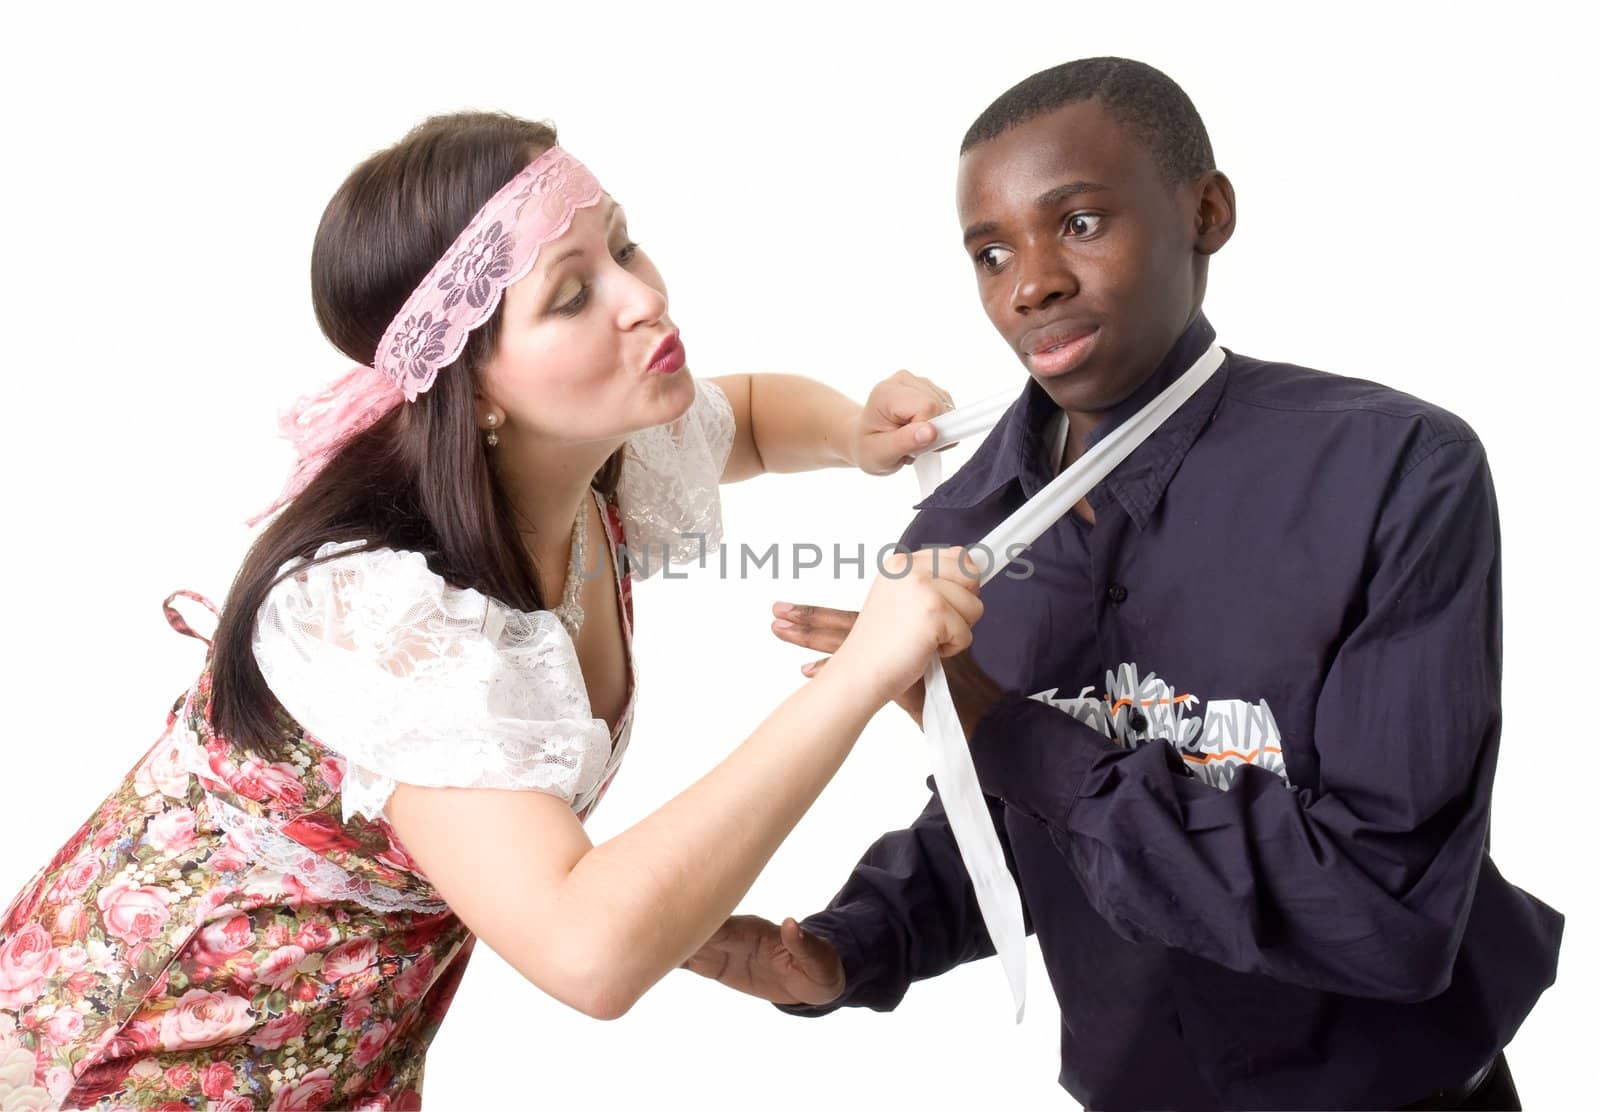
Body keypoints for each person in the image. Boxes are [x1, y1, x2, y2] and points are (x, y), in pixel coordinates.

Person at [0, 111, 984, 1109]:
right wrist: (864, 672)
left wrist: (854, 431)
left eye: (624, 241)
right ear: (472, 391)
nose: (642, 296)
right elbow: (586, 949)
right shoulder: (380, 614)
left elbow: (758, 418)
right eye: (571, 292)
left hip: (342, 1049)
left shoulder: (592, 455)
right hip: (145, 1057)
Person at [685, 58, 1563, 1110]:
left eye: (1082, 223)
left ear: (1205, 210)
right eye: (991, 251)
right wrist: (843, 950)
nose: (1031, 282)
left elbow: (1385, 914)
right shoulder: (959, 535)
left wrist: (1006, 729)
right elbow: (1010, 822)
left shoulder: (1396, 471)